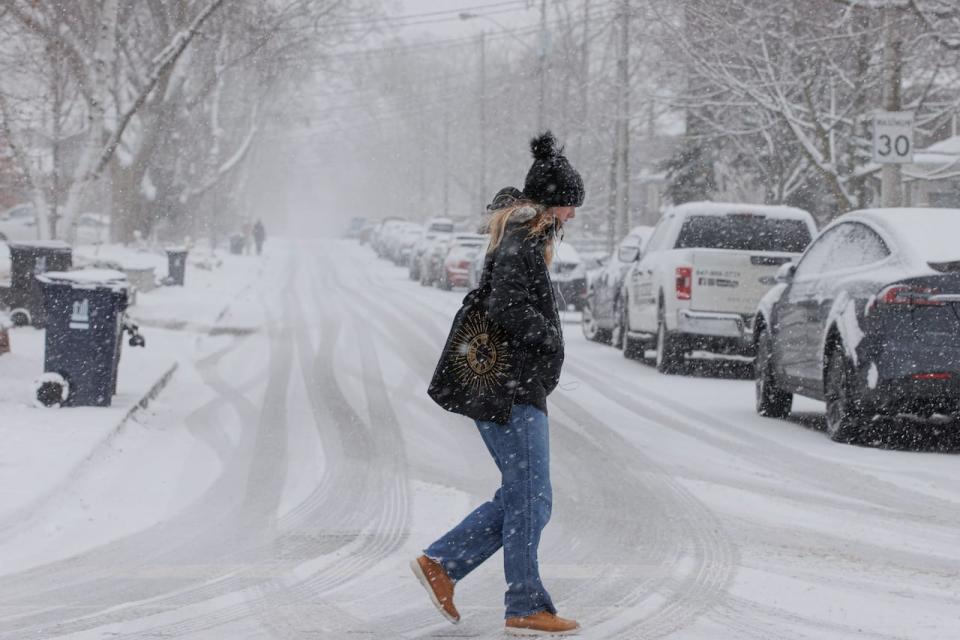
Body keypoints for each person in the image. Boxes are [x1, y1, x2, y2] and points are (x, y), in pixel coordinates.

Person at [412, 132, 585, 636]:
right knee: (531, 497)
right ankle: (523, 603)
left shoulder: (524, 234)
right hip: (510, 389)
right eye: (569, 206)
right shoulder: (524, 235)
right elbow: (504, 304)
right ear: (552, 201)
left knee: (528, 496)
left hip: (515, 387)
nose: (572, 216)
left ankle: (441, 564)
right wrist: (550, 337)